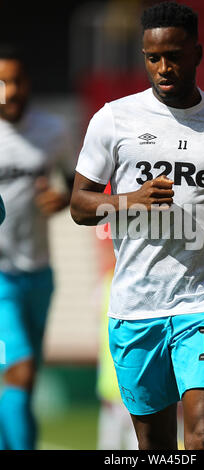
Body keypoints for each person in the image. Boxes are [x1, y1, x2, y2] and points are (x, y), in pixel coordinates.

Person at [70, 1, 204, 450]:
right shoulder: (113, 119)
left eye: (175, 55)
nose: (164, 67)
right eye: (153, 57)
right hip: (136, 303)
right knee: (155, 444)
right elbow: (81, 207)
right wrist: (129, 201)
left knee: (202, 434)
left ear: (198, 54)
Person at [0, 45, 75, 450]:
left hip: (40, 272)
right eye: (1, 83)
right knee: (21, 370)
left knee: (23, 379)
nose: (8, 91)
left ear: (28, 83)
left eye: (16, 81)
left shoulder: (53, 130)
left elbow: (75, 187)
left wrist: (61, 199)